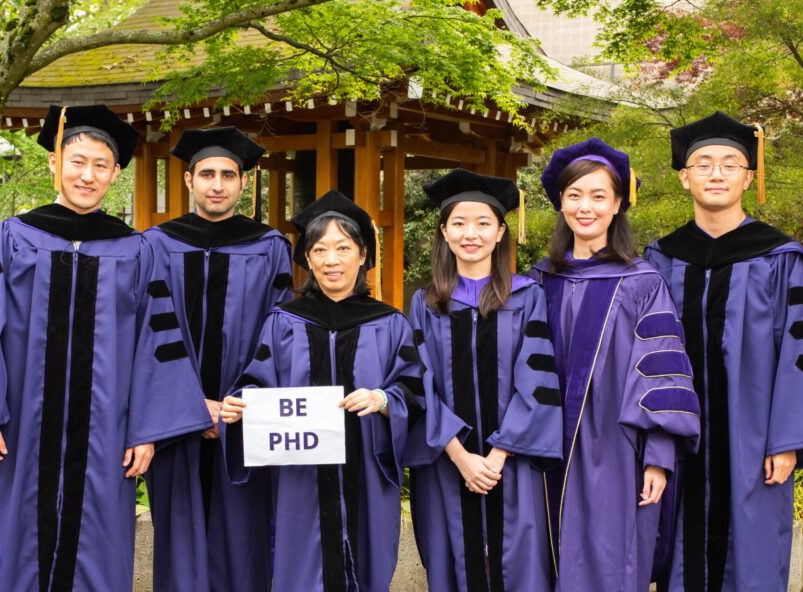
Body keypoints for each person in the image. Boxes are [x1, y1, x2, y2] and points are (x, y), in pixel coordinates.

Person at [0, 105, 209, 592]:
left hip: (106, 433)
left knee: (97, 549)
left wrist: (147, 431)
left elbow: (158, 343)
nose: (87, 175)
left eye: (100, 166)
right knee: (8, 543)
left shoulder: (137, 250)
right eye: (77, 161)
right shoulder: (13, 238)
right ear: (54, 163)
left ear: (115, 174)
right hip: (19, 428)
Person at [644, 112, 803, 592]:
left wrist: (788, 439)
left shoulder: (779, 257)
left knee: (750, 552)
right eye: (704, 164)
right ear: (684, 177)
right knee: (677, 551)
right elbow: (641, 358)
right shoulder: (659, 258)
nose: (716, 173)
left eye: (730, 164)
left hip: (753, 438)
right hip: (679, 436)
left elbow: (801, 350)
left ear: (749, 177)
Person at [218, 190, 423, 591]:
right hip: (300, 477)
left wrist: (383, 400)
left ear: (363, 255)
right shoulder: (283, 322)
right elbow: (257, 380)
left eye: (343, 248)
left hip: (364, 467)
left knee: (365, 565)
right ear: (307, 259)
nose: (332, 260)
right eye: (320, 249)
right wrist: (242, 404)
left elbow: (414, 386)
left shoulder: (390, 323)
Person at [525, 138, 702, 592]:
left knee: (609, 562)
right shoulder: (536, 282)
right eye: (575, 195)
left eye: (599, 196)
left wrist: (659, 459)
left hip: (615, 453)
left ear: (618, 203)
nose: (586, 207)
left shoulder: (643, 284)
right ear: (560, 202)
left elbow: (665, 376)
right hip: (540, 448)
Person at [142, 126, 293, 591]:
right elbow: (144, 337)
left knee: (245, 542)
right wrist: (192, 405)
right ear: (188, 181)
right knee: (178, 538)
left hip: (244, 421)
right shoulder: (154, 245)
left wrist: (237, 403)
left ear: (243, 184)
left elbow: (280, 334)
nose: (217, 184)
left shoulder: (269, 248)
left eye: (228, 175)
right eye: (206, 173)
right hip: (173, 425)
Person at [404, 168, 563, 591]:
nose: (469, 233)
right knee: (454, 564)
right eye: (458, 223)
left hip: (511, 464)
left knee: (520, 565)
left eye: (482, 223)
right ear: (443, 231)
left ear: (500, 232)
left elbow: (538, 379)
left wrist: (496, 456)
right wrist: (460, 456)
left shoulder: (528, 296)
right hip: (446, 462)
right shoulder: (424, 303)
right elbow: (420, 383)